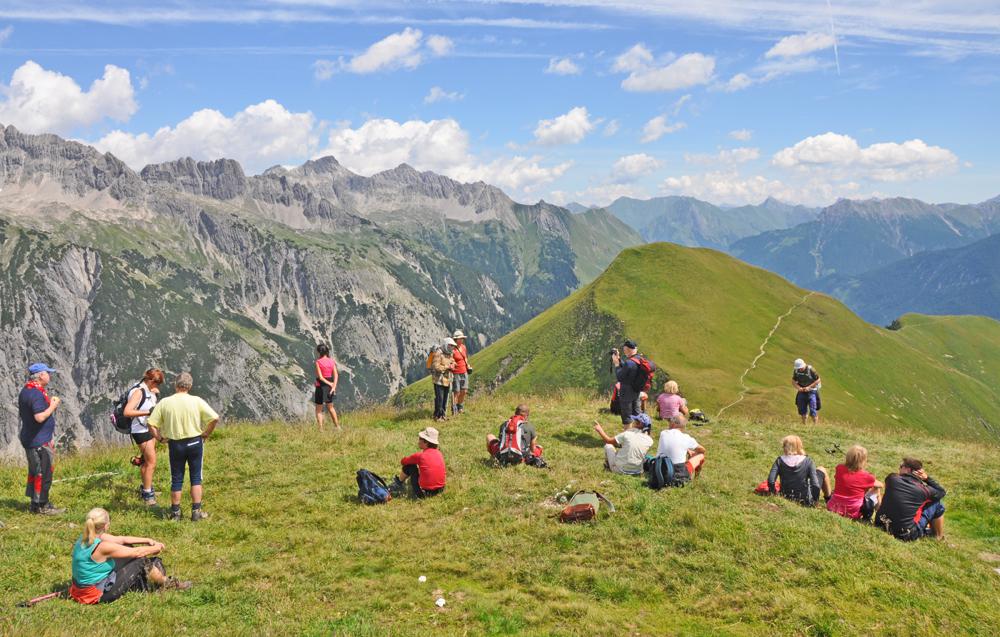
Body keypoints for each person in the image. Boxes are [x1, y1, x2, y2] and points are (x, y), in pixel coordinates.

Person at [69, 507, 190, 604]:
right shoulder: (103, 547)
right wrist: (155, 548)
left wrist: (146, 540)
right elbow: (137, 553)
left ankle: (151, 581)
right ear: (106, 525)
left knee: (128, 549)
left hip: (81, 590)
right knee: (141, 559)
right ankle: (166, 582)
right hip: (94, 595)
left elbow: (121, 540)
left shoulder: (85, 537)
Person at [147, 372, 219, 522]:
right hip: (195, 442)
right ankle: (196, 512)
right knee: (196, 478)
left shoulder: (165, 402)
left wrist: (160, 439)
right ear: (190, 386)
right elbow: (214, 418)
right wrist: (206, 433)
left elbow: (151, 424)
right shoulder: (196, 401)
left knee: (177, 479)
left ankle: (175, 513)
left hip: (176, 445)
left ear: (175, 385)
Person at [18, 362, 64, 515]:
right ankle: (41, 506)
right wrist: (53, 405)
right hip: (38, 441)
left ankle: (35, 503)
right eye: (47, 373)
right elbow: (39, 417)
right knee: (43, 473)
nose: (49, 375)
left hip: (35, 438)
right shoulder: (36, 394)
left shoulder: (28, 390)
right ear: (41, 376)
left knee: (36, 471)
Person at [875, 457, 946, 541]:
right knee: (937, 503)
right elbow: (941, 492)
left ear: (908, 469)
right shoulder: (923, 490)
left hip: (880, 524)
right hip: (905, 534)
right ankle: (938, 537)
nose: (899, 468)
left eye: (901, 466)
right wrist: (927, 479)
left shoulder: (891, 478)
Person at [123, 368, 165, 506]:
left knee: (146, 461)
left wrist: (155, 395)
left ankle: (146, 488)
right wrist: (148, 412)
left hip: (147, 427)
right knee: (151, 462)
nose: (157, 386)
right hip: (140, 430)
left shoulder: (148, 390)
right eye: (157, 383)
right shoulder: (138, 392)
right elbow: (127, 412)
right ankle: (148, 496)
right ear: (151, 380)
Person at [766, 435, 831, 506]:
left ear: (785, 447)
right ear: (799, 446)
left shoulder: (779, 460)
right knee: (821, 469)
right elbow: (815, 484)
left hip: (785, 497)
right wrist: (815, 501)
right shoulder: (808, 461)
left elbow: (771, 480)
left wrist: (774, 493)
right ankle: (829, 500)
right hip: (805, 500)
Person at [827, 445, 883, 522]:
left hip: (834, 506)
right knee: (877, 489)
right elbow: (881, 485)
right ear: (863, 461)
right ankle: (878, 516)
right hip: (852, 511)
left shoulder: (839, 468)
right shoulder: (866, 476)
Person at [390, 427, 446, 498]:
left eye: (420, 439)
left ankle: (398, 484)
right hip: (440, 490)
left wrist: (411, 459)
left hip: (424, 493)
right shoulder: (439, 453)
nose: (418, 441)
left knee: (410, 467)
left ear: (426, 442)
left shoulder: (419, 456)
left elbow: (403, 462)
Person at [655, 415, 706, 484]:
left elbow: (672, 443)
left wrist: (686, 449)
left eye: (670, 422)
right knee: (701, 455)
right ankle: (696, 479)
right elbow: (703, 450)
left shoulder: (663, 433)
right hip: (678, 476)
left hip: (659, 472)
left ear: (673, 424)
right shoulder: (686, 438)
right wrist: (692, 453)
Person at [612, 340, 642, 425]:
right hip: (636, 389)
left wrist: (616, 364)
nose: (624, 351)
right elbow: (628, 368)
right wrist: (619, 358)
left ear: (627, 349)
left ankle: (627, 436)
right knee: (637, 412)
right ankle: (640, 432)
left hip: (626, 392)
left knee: (627, 416)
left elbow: (620, 377)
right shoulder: (639, 358)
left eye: (624, 349)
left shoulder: (629, 362)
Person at [313, 343, 341, 431]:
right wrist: (333, 385)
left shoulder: (318, 362)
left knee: (318, 409)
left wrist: (329, 383)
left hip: (320, 386)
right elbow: (336, 375)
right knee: (331, 408)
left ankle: (321, 429)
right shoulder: (331, 361)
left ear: (319, 352)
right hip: (329, 388)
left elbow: (320, 377)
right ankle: (337, 426)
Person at [430, 338, 456, 422]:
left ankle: (443, 415)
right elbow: (436, 366)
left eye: (452, 346)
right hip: (439, 380)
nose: (451, 347)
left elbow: (453, 361)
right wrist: (448, 367)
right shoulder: (438, 353)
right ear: (446, 344)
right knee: (439, 398)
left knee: (445, 398)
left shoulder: (449, 353)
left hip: (447, 380)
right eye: (450, 345)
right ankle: (438, 416)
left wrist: (453, 365)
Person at [792, 358, 821, 424]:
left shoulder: (811, 370)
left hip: (812, 391)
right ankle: (804, 425)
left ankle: (815, 426)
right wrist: (798, 387)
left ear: (804, 365)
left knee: (813, 409)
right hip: (802, 391)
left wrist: (809, 387)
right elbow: (793, 381)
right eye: (798, 368)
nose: (800, 369)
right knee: (802, 408)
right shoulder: (796, 371)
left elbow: (818, 380)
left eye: (801, 368)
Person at [450, 330, 471, 415]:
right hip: (456, 373)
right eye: (460, 338)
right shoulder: (452, 349)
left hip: (464, 371)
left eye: (462, 338)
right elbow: (451, 360)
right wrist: (453, 363)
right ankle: (454, 409)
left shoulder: (463, 347)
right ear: (456, 339)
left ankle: (460, 407)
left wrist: (467, 364)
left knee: (464, 390)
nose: (462, 340)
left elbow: (465, 357)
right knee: (456, 391)